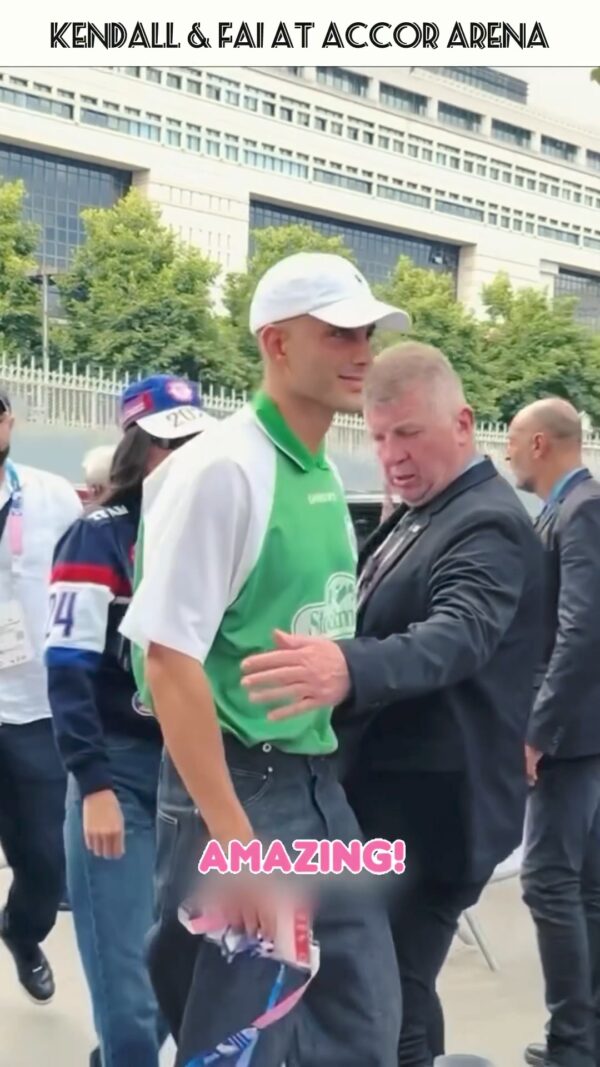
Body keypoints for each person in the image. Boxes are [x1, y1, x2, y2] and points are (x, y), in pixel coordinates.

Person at [120, 252, 411, 1067]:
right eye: (339, 332)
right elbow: (169, 660)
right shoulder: (222, 469)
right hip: (242, 792)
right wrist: (237, 843)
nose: (362, 350)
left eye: (367, 332)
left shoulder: (315, 467)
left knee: (361, 1026)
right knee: (236, 1044)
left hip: (316, 792)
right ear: (277, 344)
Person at [242, 342, 545, 1067]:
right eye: (377, 437)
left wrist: (343, 666)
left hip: (436, 817)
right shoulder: (422, 510)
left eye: (408, 433)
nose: (391, 454)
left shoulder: (487, 521)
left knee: (384, 996)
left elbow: (455, 634)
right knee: (391, 986)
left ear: (464, 423)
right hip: (394, 802)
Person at [45, 375, 214, 1067]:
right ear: (141, 449)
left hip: (192, 772)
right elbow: (68, 667)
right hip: (117, 768)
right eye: (171, 441)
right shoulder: (97, 535)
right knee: (128, 984)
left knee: (191, 973)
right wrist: (94, 784)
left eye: (195, 439)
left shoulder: (209, 535)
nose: (187, 454)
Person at [506, 398, 600, 1067]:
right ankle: (584, 1037)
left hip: (573, 735)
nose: (506, 454)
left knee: (547, 880)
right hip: (585, 729)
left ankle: (573, 1042)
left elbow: (581, 629)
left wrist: (539, 727)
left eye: (511, 442)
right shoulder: (572, 509)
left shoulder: (581, 511)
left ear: (540, 443)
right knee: (585, 886)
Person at [0, 387, 83, 1003]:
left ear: (8, 421)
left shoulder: (51, 495)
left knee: (45, 863)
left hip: (32, 708)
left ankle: (22, 932)